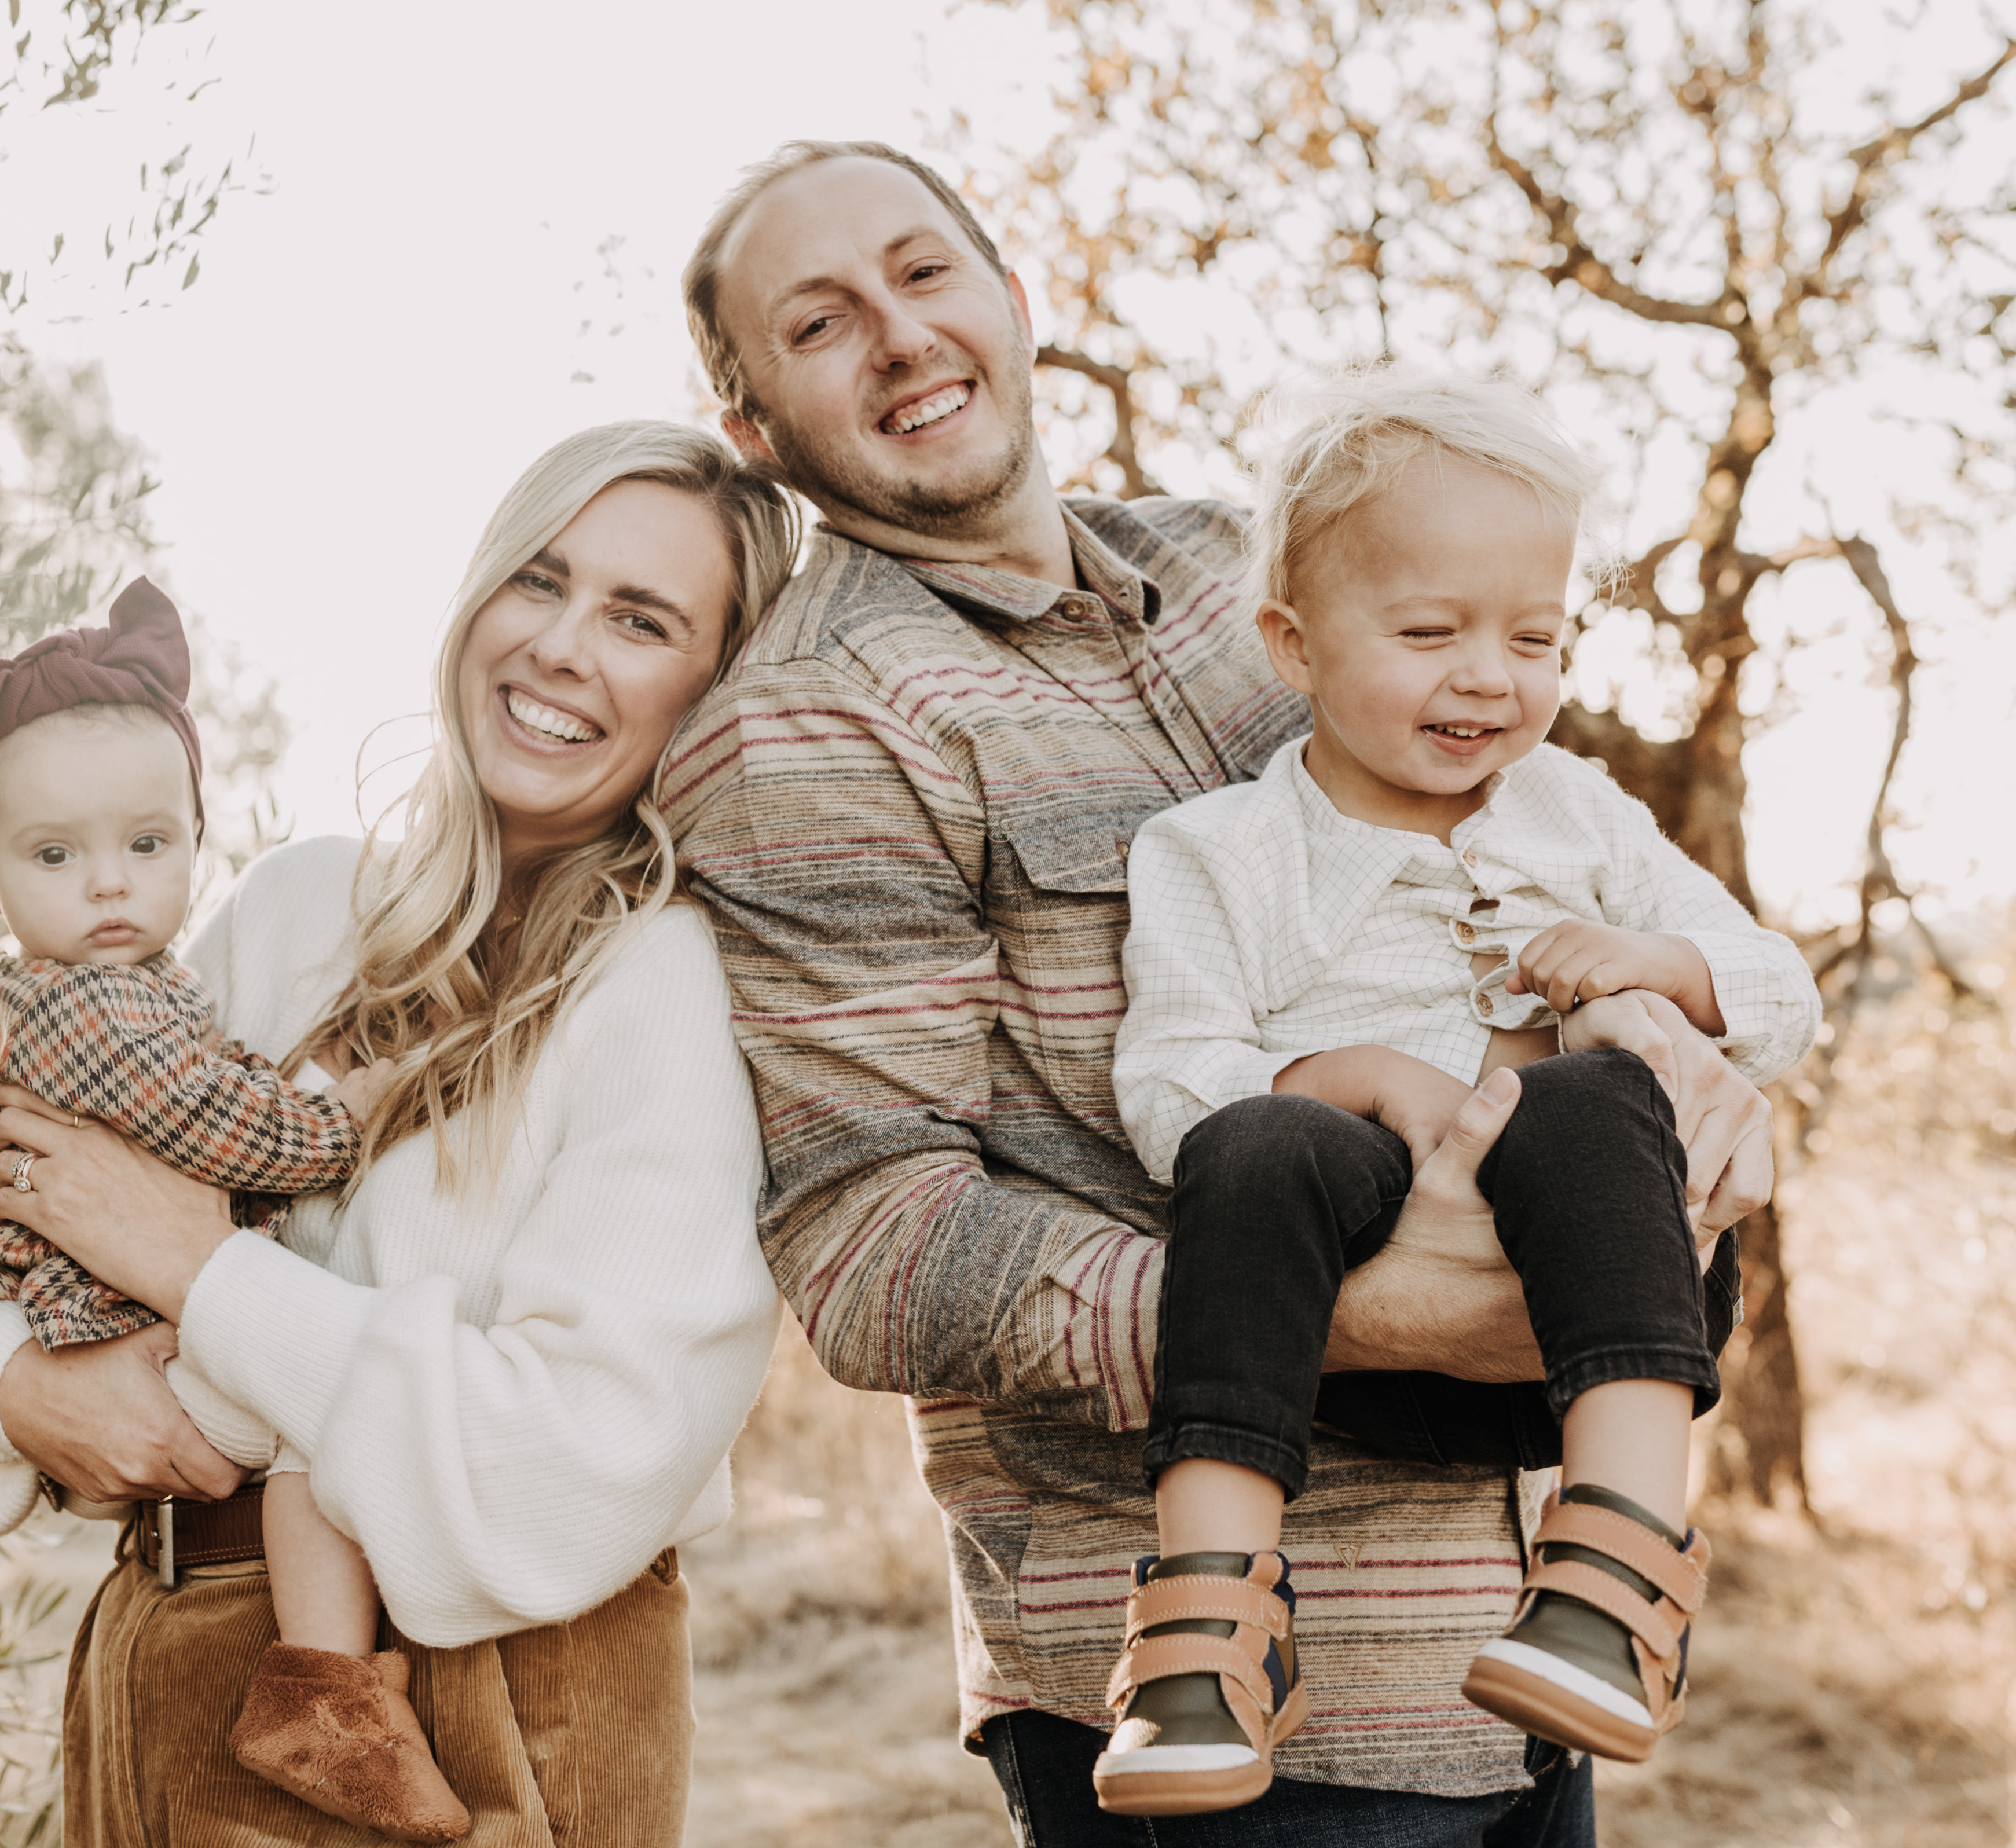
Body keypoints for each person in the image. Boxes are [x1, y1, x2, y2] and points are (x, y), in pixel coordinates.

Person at [663, 140, 1777, 1845]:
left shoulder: (1249, 565)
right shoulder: (811, 729)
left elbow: (1557, 875)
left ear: (1013, 301)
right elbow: (872, 1252)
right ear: (755, 426)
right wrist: (1377, 1307)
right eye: (820, 324)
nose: (899, 336)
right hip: (1219, 1718)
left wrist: (1689, 1080)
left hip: (1525, 1639)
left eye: (923, 272)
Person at [0, 421, 798, 1847]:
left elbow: (587, 1457)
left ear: (716, 687)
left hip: (484, 1716)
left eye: (639, 619)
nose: (563, 645)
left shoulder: (664, 988)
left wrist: (210, 1281)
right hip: (164, 1653)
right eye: (539, 581)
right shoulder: (297, 908)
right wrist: (15, 1385)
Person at [1095, 371, 1818, 1816]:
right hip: (1342, 1341)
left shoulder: (1582, 812)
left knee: (1593, 1090)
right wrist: (1356, 1077)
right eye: (1429, 633)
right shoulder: (1217, 852)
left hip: (1590, 1318)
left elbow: (1778, 992)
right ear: (1293, 644)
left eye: (1535, 637)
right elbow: (1171, 1075)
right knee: (1254, 1142)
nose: (1490, 675)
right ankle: (1204, 1633)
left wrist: (1650, 963)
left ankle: (1615, 1574)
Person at [0, 577, 454, 1840]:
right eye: (56, 857)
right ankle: (327, 1700)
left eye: (148, 847)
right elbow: (230, 1133)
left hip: (126, 1310)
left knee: (313, 1413)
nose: (109, 886)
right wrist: (352, 1106)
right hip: (125, 1333)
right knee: (325, 1423)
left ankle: (326, 1688)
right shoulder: (85, 1006)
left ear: (196, 837)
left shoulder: (136, 982)